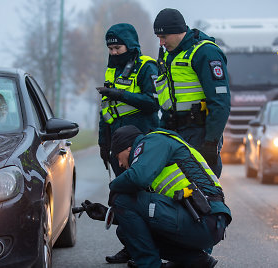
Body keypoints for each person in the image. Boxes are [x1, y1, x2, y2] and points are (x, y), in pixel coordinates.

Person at [82, 125, 231, 268]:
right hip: (200, 220)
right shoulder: (153, 156)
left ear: (128, 148)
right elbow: (142, 213)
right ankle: (195, 261)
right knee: (124, 231)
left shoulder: (154, 141)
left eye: (117, 157)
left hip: (204, 218)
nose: (120, 164)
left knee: (121, 198)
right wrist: (111, 215)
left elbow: (137, 178)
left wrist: (113, 187)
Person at [97, 23, 160, 264]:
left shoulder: (146, 66)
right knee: (124, 198)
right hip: (117, 145)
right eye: (110, 49)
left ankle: (151, 249)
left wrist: (121, 95)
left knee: (144, 200)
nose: (113, 53)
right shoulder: (111, 71)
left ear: (130, 46)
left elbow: (153, 102)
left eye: (118, 48)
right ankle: (132, 246)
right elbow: (106, 110)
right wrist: (104, 143)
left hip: (142, 145)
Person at [153, 8, 231, 178]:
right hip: (175, 132)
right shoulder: (170, 56)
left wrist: (211, 142)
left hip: (199, 133)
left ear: (177, 32)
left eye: (163, 37)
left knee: (203, 193)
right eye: (159, 38)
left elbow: (220, 103)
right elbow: (169, 102)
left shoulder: (206, 52)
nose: (161, 43)